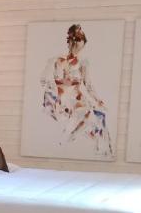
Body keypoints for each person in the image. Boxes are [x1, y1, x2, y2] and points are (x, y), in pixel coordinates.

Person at [39, 23, 113, 156]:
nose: (78, 48)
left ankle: (102, 154)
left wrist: (98, 100)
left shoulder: (83, 63)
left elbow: (88, 85)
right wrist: (55, 91)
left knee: (100, 118)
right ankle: (64, 140)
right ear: (70, 42)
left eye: (81, 45)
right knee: (88, 115)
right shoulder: (56, 61)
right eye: (76, 42)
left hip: (79, 102)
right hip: (64, 104)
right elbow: (43, 81)